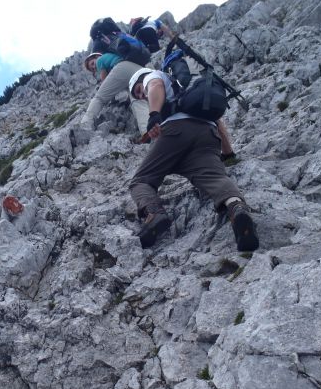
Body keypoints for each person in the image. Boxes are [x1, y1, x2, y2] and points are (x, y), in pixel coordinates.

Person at [127, 68, 259, 251]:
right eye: (139, 95)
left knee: (141, 181)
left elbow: (155, 85)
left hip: (176, 131)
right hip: (208, 134)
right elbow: (218, 121)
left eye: (140, 90)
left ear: (142, 79)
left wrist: (154, 115)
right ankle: (236, 208)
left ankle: (154, 213)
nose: (142, 96)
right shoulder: (189, 91)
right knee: (215, 178)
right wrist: (228, 153)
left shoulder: (155, 77)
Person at [81, 52, 149, 135]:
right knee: (138, 99)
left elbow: (104, 80)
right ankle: (147, 130)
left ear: (97, 56)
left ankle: (85, 124)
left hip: (122, 68)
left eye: (92, 63)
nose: (94, 67)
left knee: (99, 98)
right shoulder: (112, 57)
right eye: (92, 69)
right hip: (138, 69)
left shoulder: (99, 60)